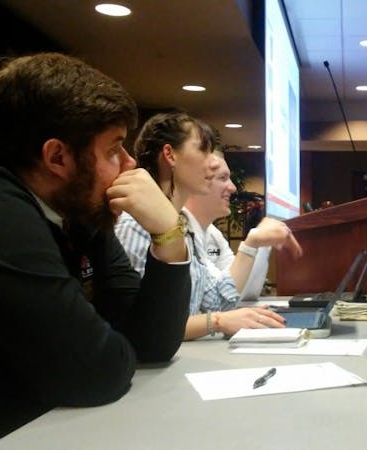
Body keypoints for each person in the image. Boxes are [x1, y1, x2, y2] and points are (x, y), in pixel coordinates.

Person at [0, 53, 191, 449]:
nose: (131, 164)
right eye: (115, 149)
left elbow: (151, 345)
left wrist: (169, 233)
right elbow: (95, 372)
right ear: (57, 157)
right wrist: (108, 341)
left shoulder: (75, 211)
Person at [115, 113, 298, 340]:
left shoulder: (186, 226)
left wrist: (252, 243)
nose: (213, 162)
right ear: (170, 155)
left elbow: (217, 301)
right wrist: (216, 321)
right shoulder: (135, 224)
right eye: (203, 150)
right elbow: (145, 326)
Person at [183, 152, 302, 301]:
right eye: (222, 178)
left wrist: (261, 242)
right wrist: (253, 242)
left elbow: (240, 291)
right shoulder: (177, 231)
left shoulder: (212, 233)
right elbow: (224, 299)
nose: (233, 188)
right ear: (194, 182)